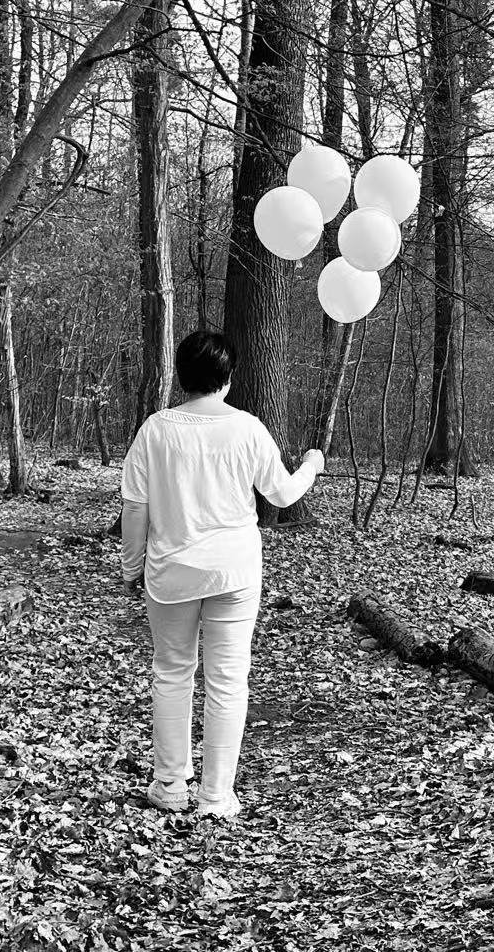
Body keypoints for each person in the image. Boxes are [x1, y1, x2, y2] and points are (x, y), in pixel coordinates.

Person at [120, 331, 323, 816]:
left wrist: (132, 566)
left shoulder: (156, 429)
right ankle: (215, 795)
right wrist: (312, 465)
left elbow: (135, 506)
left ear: (182, 375)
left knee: (171, 674)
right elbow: (281, 494)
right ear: (227, 379)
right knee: (228, 681)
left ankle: (169, 786)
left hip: (170, 573)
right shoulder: (246, 428)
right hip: (234, 571)